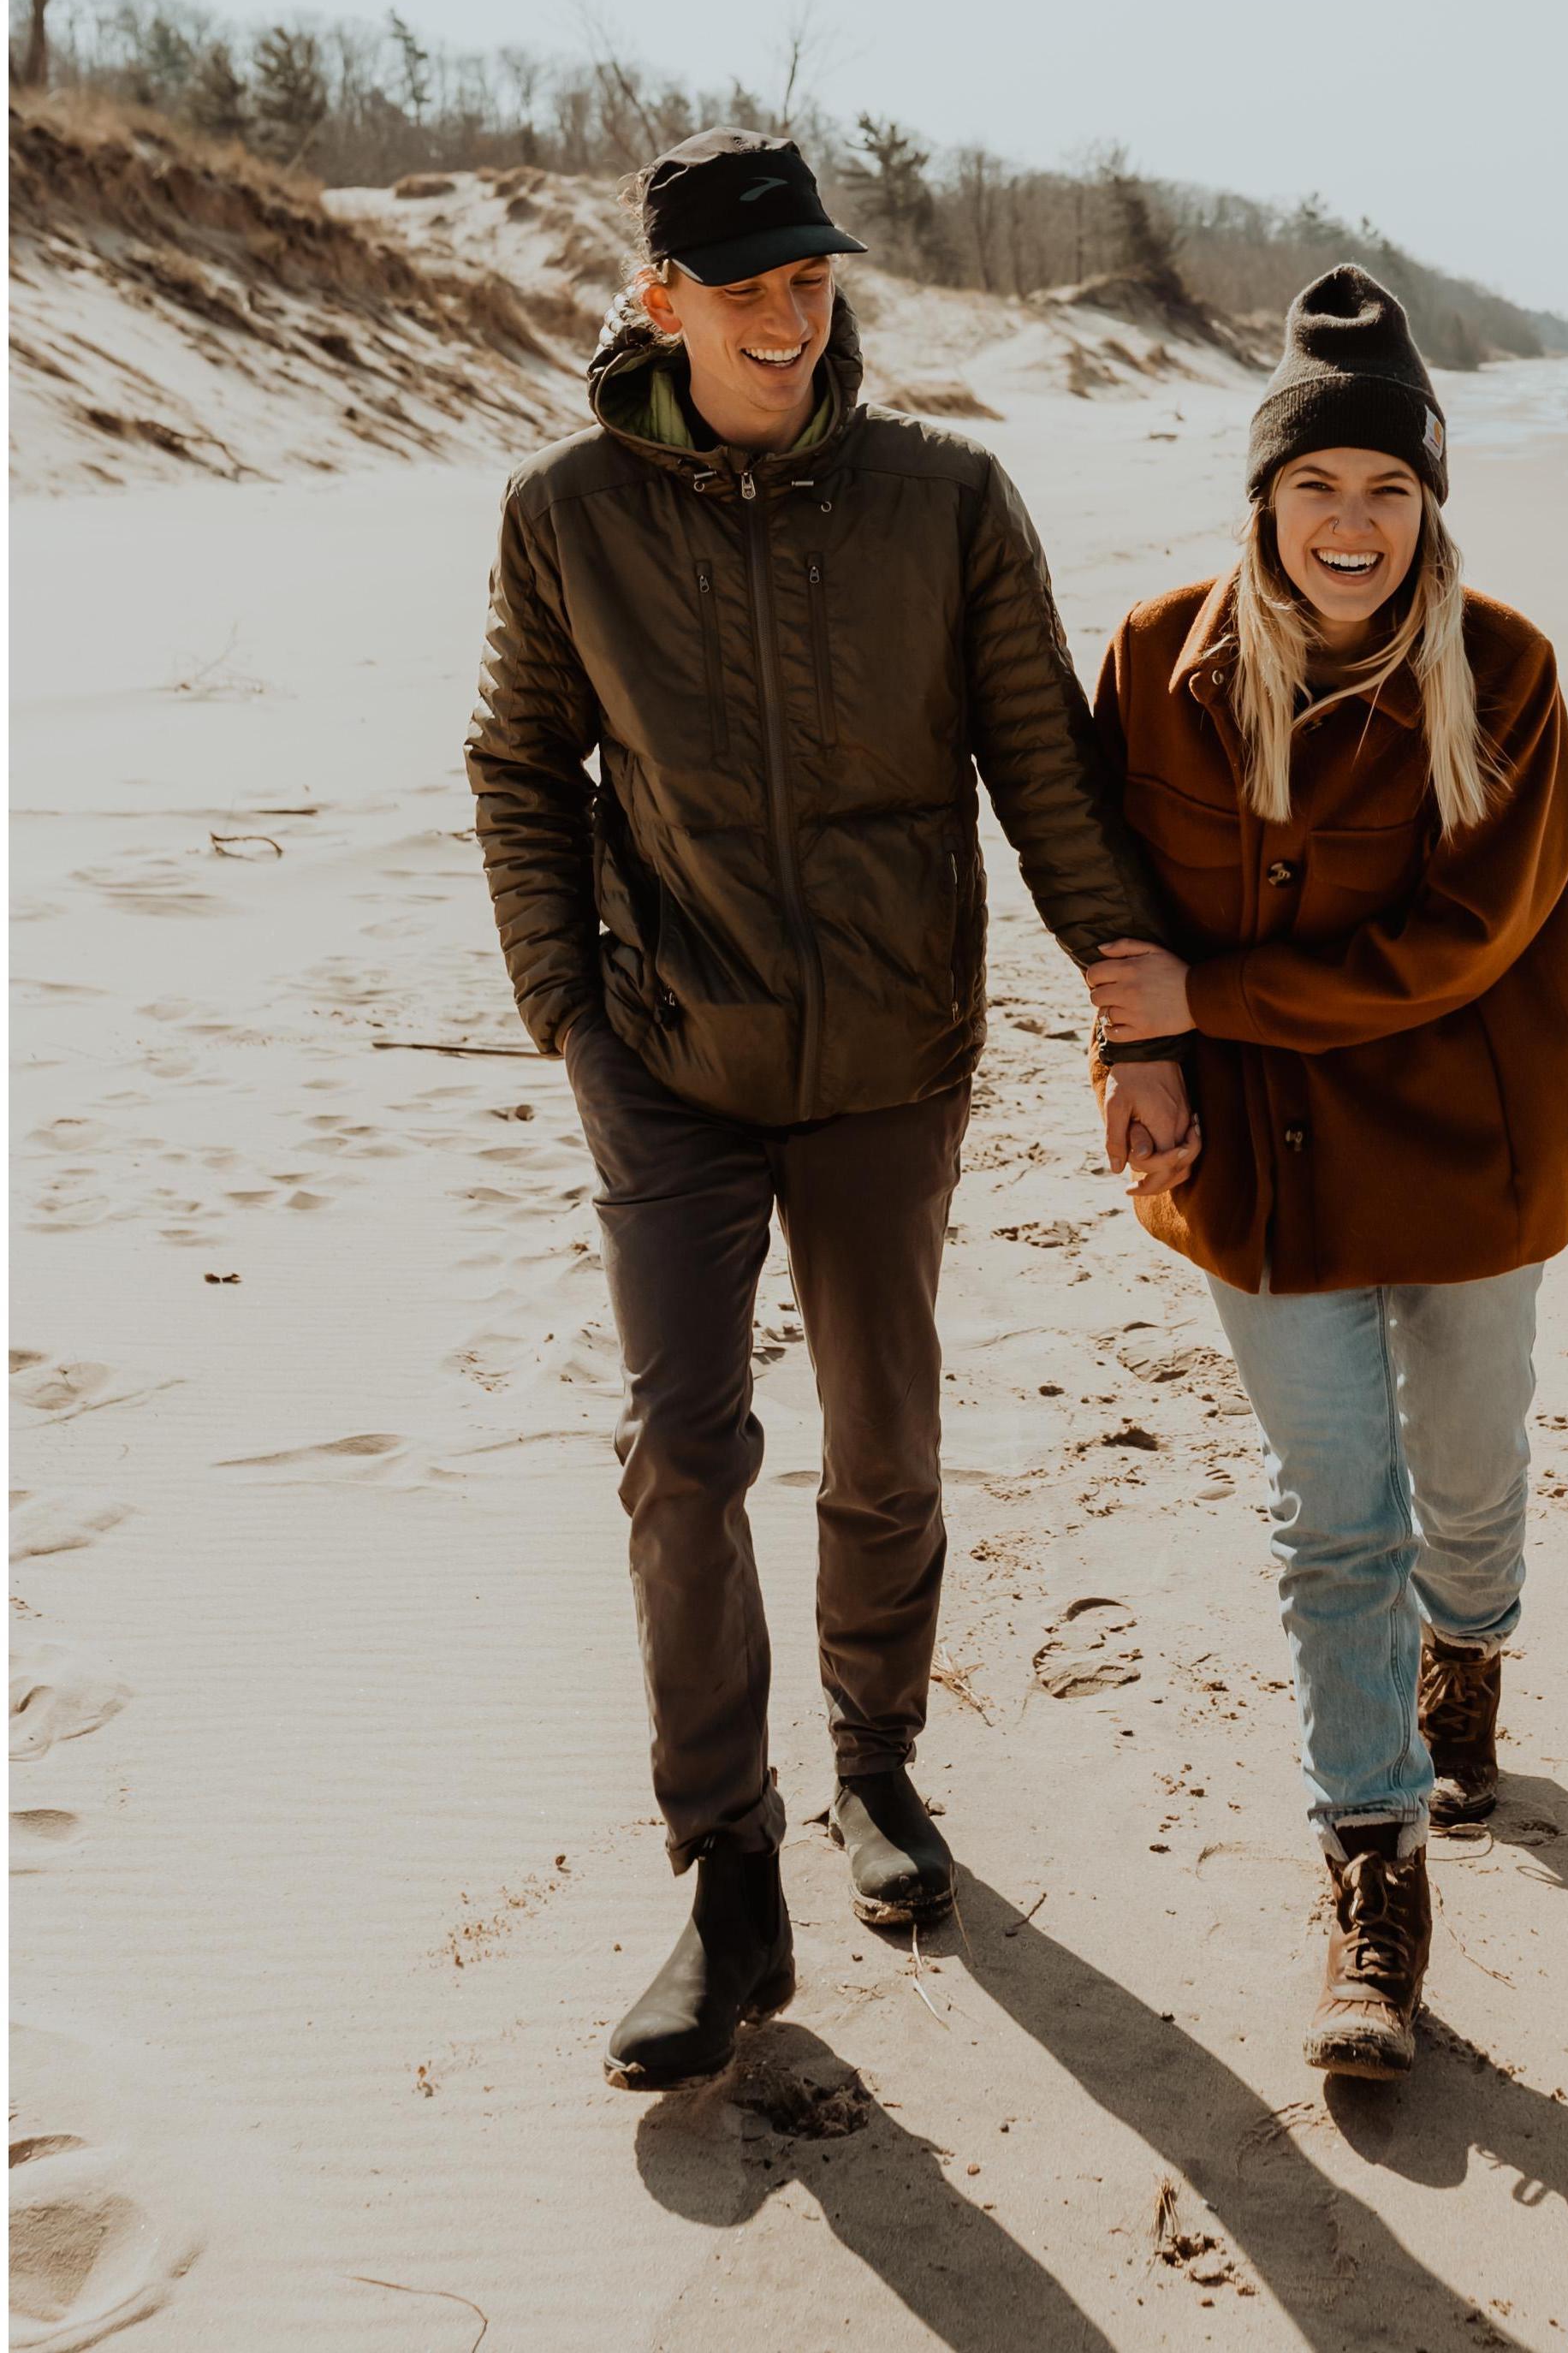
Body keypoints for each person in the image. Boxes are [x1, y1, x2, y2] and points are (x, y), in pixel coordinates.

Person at [465, 127, 1201, 2090]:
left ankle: (878, 1767)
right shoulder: (564, 517)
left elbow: (1044, 771)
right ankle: (728, 1876)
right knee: (681, 1451)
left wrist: (1135, 1012)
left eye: (811, 279)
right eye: (748, 288)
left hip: (889, 1054)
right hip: (668, 1061)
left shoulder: (945, 499)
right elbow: (521, 765)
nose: (790, 317)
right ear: (662, 304)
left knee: (885, 1435)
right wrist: (569, 1015)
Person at [1083, 265, 1568, 2081]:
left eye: (1387, 488)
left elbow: (1457, 947)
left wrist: (1205, 1004)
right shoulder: (1158, 661)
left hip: (1463, 1148)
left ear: (1430, 502)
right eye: (1317, 486)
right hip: (1263, 1170)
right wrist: (1134, 1053)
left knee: (1466, 1472)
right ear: (1264, 499)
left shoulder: (1508, 672)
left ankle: (1472, 1647)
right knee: (1332, 1518)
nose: (1352, 523)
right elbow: (1104, 892)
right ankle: (1373, 1870)